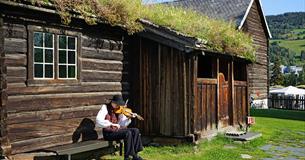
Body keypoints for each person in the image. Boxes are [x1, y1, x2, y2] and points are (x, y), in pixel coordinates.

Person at [96, 95, 143, 160]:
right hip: (108, 133)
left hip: (116, 131)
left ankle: (135, 155)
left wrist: (129, 117)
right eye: (118, 104)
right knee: (127, 133)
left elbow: (122, 124)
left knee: (136, 130)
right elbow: (98, 121)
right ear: (113, 102)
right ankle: (128, 157)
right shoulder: (105, 107)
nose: (119, 106)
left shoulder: (119, 110)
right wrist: (111, 124)